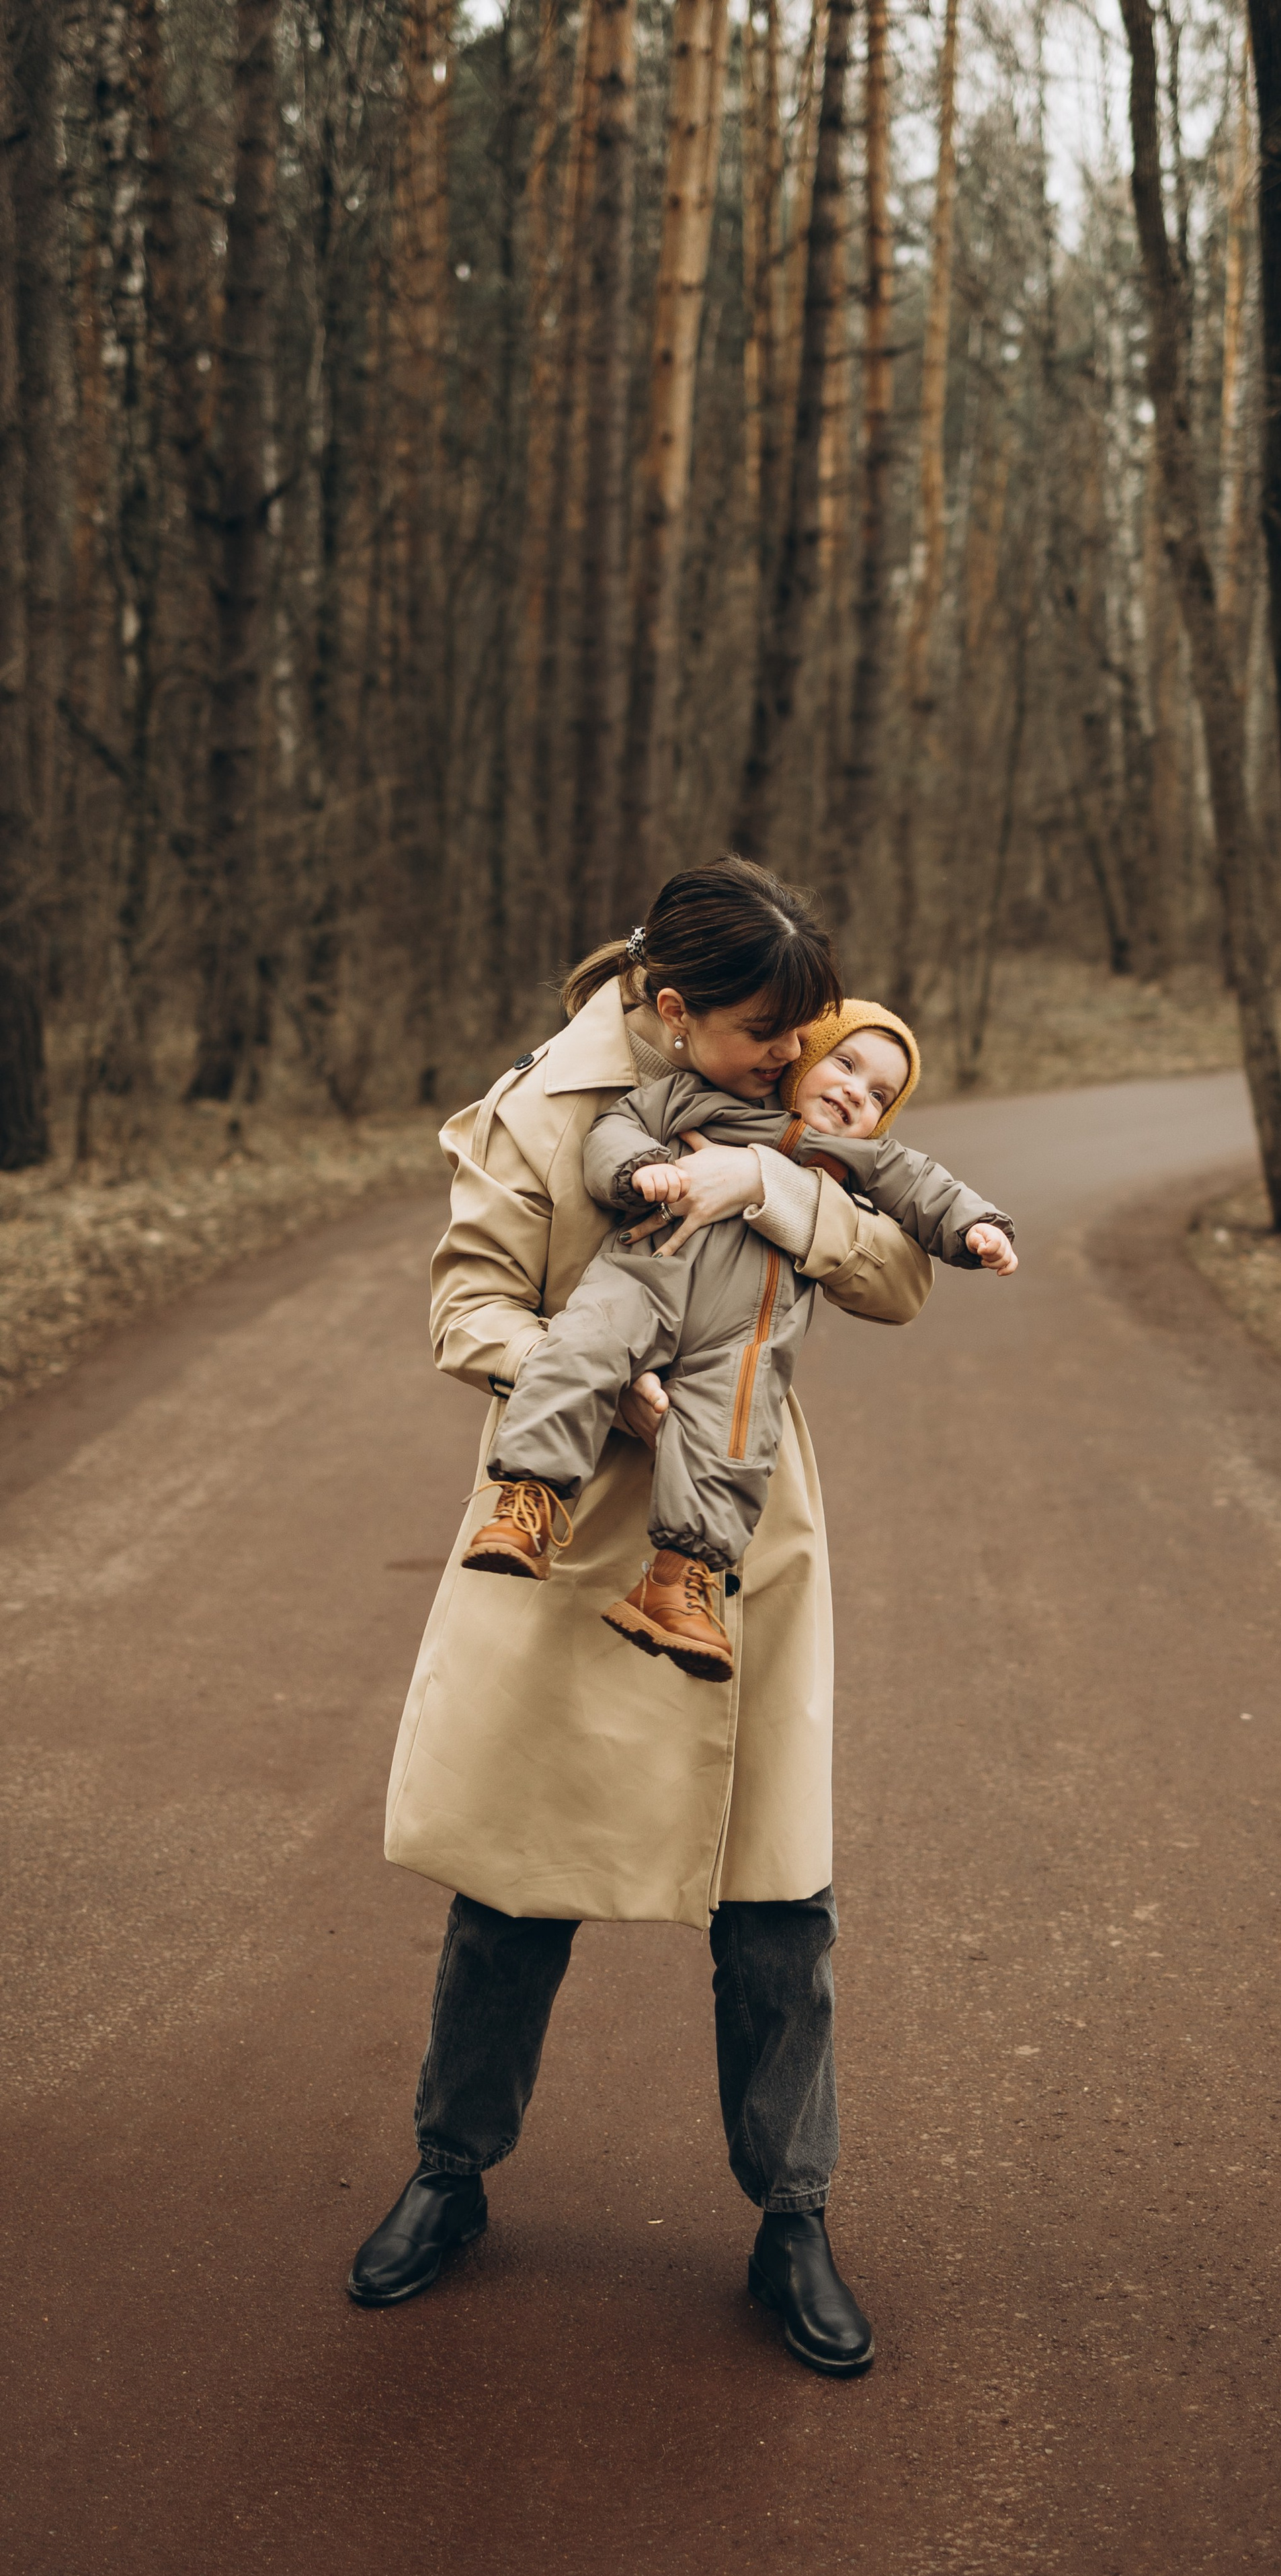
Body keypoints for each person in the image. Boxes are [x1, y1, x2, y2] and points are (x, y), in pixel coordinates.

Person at [352, 858, 935, 2376]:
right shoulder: (541, 1110)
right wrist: (587, 1378)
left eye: (796, 1037)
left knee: (776, 1900)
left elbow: (889, 1269)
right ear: (673, 1013)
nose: (788, 1059)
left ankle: (791, 2214)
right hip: (566, 1517)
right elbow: (464, 1302)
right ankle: (450, 2168)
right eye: (757, 1032)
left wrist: (768, 1184)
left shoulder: (776, 1067)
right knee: (512, 1873)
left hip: (742, 1523)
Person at [462, 993, 1017, 1681]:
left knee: (735, 1437)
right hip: (642, 1281)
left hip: (745, 1332)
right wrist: (637, 1168)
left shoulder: (853, 1160)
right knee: (583, 1352)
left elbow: (927, 1188)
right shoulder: (699, 1097)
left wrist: (977, 1229)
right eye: (843, 1064)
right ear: (802, 1055)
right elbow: (615, 1128)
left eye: (879, 1094)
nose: (854, 1093)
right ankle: (528, 1500)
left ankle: (679, 1582)